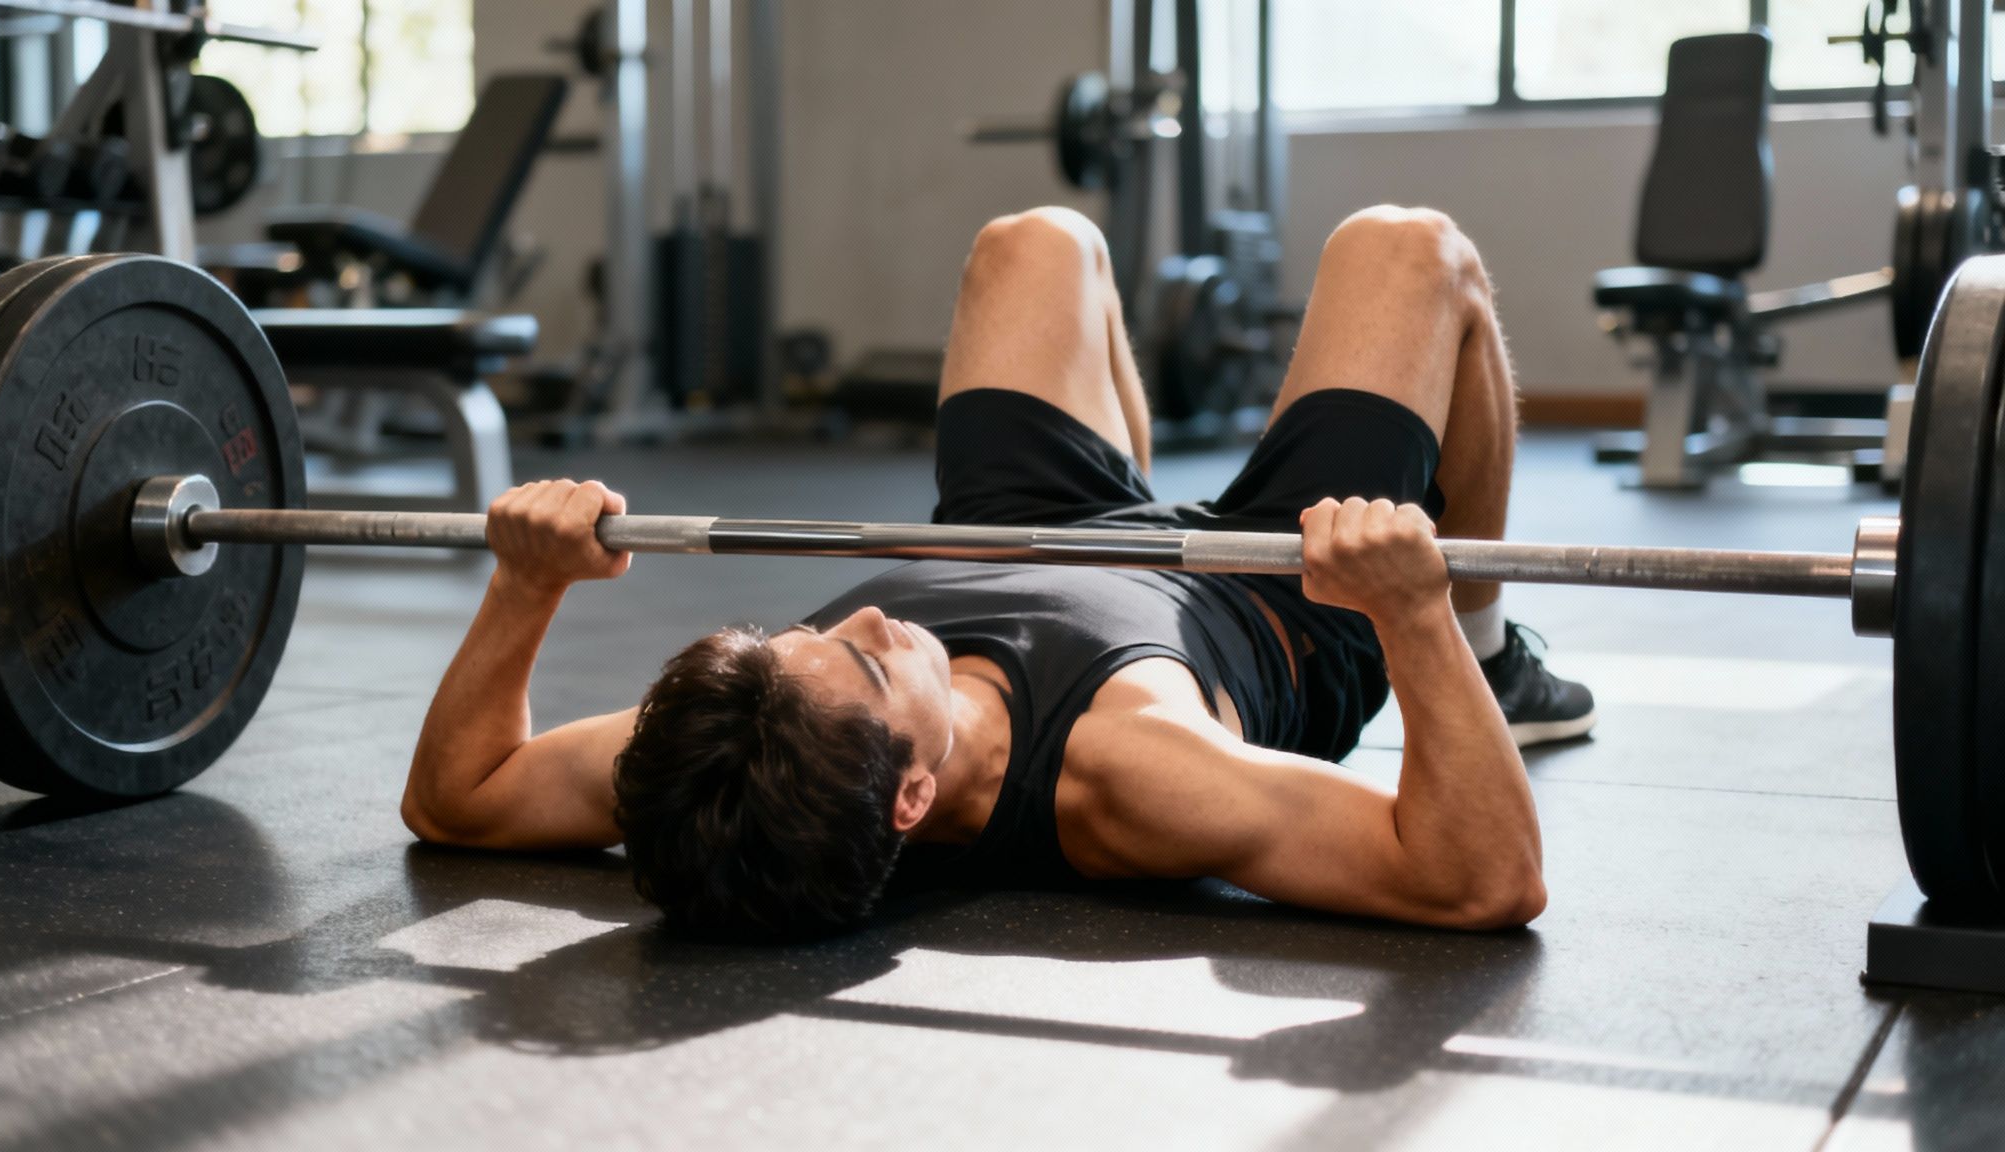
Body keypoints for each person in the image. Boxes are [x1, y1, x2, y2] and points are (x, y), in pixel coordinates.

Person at [399, 205, 1595, 942]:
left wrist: (525, 584)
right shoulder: (1133, 775)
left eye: (797, 633)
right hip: (1285, 585)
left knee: (1032, 243)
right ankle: (1502, 657)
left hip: (1029, 524)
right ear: (909, 797)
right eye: (869, 658)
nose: (867, 609)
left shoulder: (730, 758)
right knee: (1412, 250)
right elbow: (1482, 881)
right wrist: (1416, 615)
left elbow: (454, 797)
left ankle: (1128, 478)